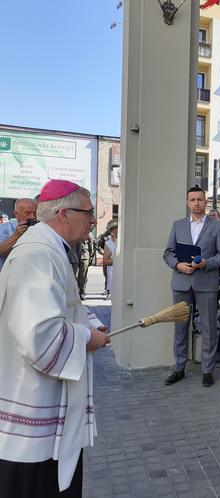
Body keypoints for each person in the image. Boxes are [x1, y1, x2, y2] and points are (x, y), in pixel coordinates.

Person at [0, 179, 110, 497]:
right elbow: (39, 336)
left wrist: (91, 324)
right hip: (31, 415)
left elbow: (63, 305)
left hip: (44, 406)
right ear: (63, 213)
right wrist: (87, 338)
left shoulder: (49, 248)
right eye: (89, 213)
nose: (93, 220)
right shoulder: (37, 254)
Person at [163, 185, 220, 387]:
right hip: (182, 283)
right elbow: (167, 253)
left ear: (205, 201)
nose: (196, 203)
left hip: (206, 283)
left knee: (209, 328)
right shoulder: (178, 225)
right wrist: (178, 264)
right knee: (180, 328)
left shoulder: (217, 226)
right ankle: (179, 368)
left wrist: (205, 263)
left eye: (200, 199)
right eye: (192, 200)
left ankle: (207, 370)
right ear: (187, 202)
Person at [0, 198, 38, 272]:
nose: (32, 217)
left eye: (35, 213)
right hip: (8, 276)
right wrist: (16, 235)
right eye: (28, 213)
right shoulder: (4, 228)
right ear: (15, 214)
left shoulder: (40, 227)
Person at [102, 221, 118, 297]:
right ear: (112, 230)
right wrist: (120, 260)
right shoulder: (109, 243)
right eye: (116, 228)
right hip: (114, 276)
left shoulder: (124, 241)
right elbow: (105, 261)